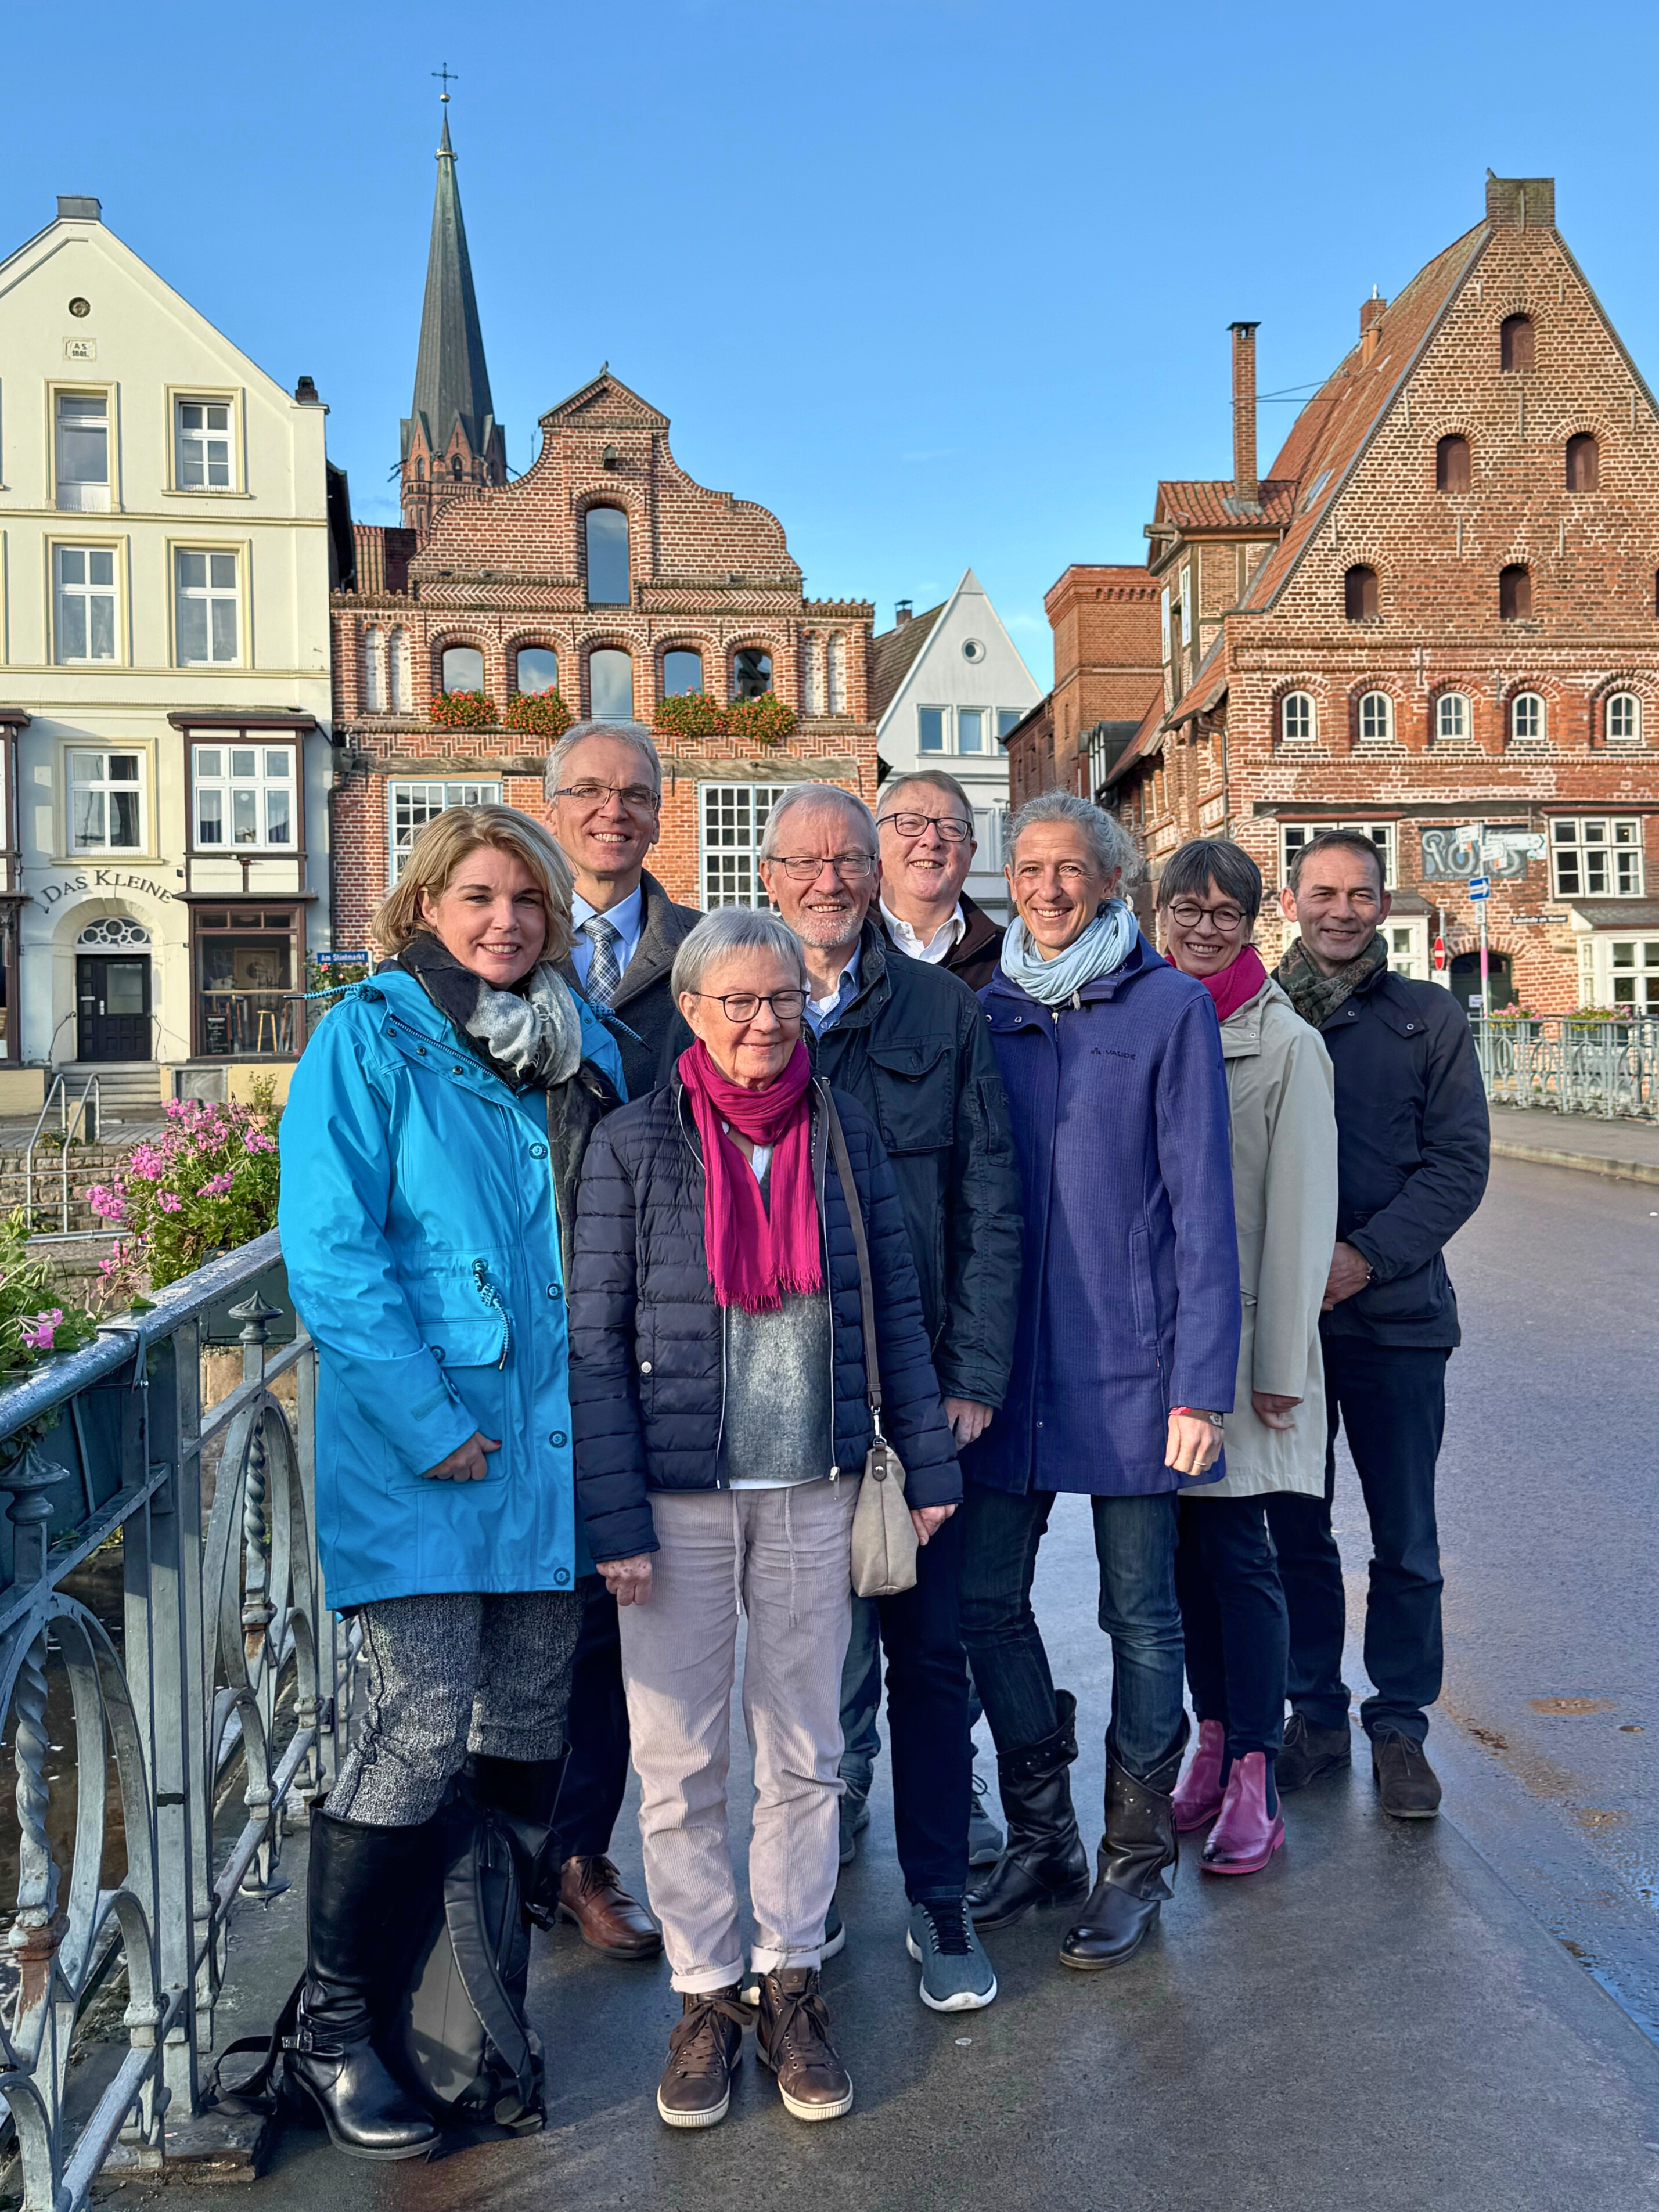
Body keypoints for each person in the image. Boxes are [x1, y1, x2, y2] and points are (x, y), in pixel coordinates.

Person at [567, 907, 967, 2130]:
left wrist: (929, 1462)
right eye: (735, 1002)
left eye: (781, 999)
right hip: (676, 1497)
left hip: (813, 1485)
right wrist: (613, 1518)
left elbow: (894, 1309)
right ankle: (704, 1995)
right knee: (679, 1760)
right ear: (690, 1012)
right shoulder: (634, 1145)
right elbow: (594, 1342)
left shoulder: (843, 1130)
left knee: (804, 1752)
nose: (761, 1023)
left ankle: (790, 1980)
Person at [278, 804, 625, 2160]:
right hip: (428, 1449)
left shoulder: (579, 1042)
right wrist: (430, 1422)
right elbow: (333, 1250)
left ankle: (470, 2008)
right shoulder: (369, 1036)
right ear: (424, 905)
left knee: (528, 1721)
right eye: (478, 896)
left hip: (546, 1444)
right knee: (415, 1730)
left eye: (527, 900)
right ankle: (334, 2028)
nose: (506, 921)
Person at [960, 791, 1239, 1972]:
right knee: (983, 1600)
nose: (1048, 888)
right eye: (1029, 868)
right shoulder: (988, 1008)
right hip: (1006, 1368)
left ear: (1113, 882)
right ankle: (1042, 1836)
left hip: (1133, 1364)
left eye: (1071, 868)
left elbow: (1202, 1208)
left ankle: (1133, 1861)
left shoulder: (1168, 1007)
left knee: (1140, 1614)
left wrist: (1200, 1386)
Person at [756, 782, 1021, 2008]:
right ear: (768, 877)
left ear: (876, 874)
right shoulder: (735, 998)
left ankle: (939, 1900)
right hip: (773, 1392)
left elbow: (988, 1201)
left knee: (927, 1658)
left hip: (913, 1395)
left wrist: (971, 1377)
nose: (829, 883)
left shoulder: (938, 1009)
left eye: (849, 861)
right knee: (798, 1671)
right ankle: (796, 1913)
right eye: (804, 863)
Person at [1266, 830, 1489, 1818]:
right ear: (1290, 901)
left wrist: (1362, 1257)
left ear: (1383, 903)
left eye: (1359, 894)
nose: (1341, 911)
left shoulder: (1426, 1016)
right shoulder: (1256, 1010)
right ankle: (1312, 1713)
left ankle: (1399, 1725)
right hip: (1288, 1326)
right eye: (1323, 892)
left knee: (1405, 1537)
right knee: (1294, 1531)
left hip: (1398, 1319)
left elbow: (1458, 1162)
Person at [543, 718, 700, 1962]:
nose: (613, 811)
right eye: (589, 792)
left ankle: (581, 1855)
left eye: (635, 793)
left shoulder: (697, 955)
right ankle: (498, 1856)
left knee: (614, 1600)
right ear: (551, 806)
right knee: (512, 1605)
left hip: (651, 1321)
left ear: (660, 809)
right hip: (515, 1318)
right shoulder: (502, 941)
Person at [1157, 839, 1338, 1875]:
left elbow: (1303, 1216)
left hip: (1243, 1347)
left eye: (1226, 912)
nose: (1205, 927)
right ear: (1161, 913)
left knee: (1239, 1554)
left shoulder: (1286, 1044)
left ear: (1251, 924)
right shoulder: (1142, 1015)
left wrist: (1279, 1364)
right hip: (1158, 1345)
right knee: (1181, 1557)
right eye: (1188, 908)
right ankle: (1213, 1736)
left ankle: (1256, 1769)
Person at [839, 768, 1007, 1871]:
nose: (928, 841)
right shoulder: (778, 979)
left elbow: (992, 1194)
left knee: (938, 1612)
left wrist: (976, 1370)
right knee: (832, 1616)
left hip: (934, 1352)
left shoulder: (988, 976)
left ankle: (950, 1797)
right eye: (906, 822)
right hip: (814, 1359)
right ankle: (843, 1779)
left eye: (950, 826)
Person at [875, 768, 1006, 989]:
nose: (931, 840)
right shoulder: (840, 947)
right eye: (911, 823)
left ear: (970, 853)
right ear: (875, 842)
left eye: (950, 828)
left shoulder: (1010, 961)